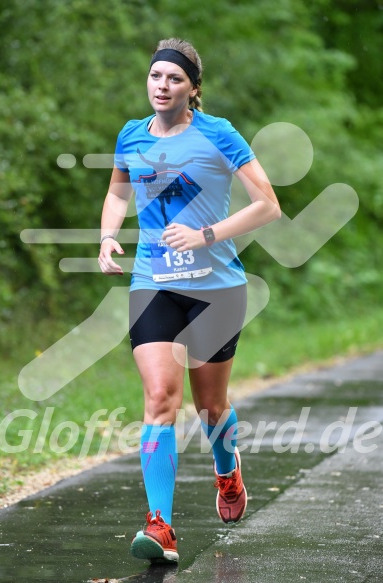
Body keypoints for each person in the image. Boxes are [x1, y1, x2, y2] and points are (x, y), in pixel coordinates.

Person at [98, 38, 281, 564]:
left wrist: (206, 234)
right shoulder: (132, 135)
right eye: (156, 76)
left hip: (215, 288)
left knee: (210, 406)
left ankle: (227, 472)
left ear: (192, 88)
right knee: (160, 398)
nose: (162, 86)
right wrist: (109, 235)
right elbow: (117, 191)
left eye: (174, 78)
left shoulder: (217, 133)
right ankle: (161, 526)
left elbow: (267, 205)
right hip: (152, 282)